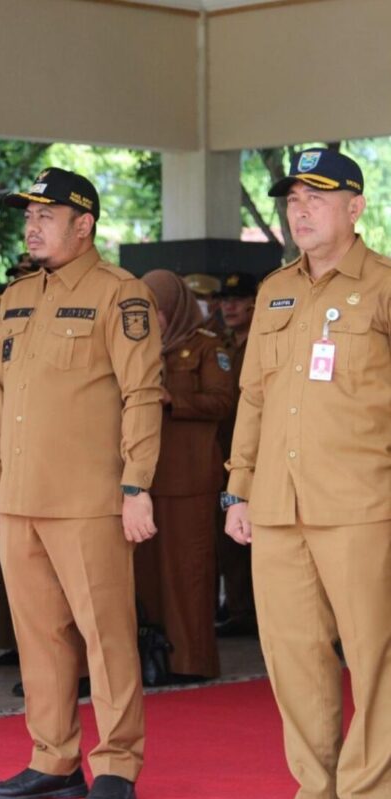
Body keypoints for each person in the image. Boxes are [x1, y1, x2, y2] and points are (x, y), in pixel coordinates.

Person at [0, 167, 163, 799]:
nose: (32, 227)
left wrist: (137, 485)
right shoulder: (16, 298)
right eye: (28, 216)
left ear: (83, 225)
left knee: (106, 637)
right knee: (39, 638)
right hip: (20, 498)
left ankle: (116, 763)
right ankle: (52, 759)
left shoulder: (121, 294)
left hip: (89, 499)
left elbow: (143, 395)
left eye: (46, 216)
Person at [224, 148, 391, 799]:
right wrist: (237, 489)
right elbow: (254, 399)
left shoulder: (383, 285)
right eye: (293, 199)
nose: (301, 211)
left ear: (355, 207)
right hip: (276, 505)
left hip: (361, 502)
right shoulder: (275, 291)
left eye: (317, 198)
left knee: (375, 656)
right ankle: (318, 794)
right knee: (293, 656)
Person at [134, 269, 233, 683]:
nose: (150, 318)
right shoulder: (135, 349)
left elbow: (224, 401)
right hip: (145, 481)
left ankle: (191, 662)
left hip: (190, 480)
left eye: (156, 310)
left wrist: (176, 399)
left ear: (174, 309)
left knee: (189, 573)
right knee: (147, 576)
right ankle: (155, 658)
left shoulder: (207, 347)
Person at [214, 272, 258, 638]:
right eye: (225, 300)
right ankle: (240, 606)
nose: (229, 306)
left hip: (257, 450)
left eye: (238, 299)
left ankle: (256, 609)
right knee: (230, 534)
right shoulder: (221, 343)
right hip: (225, 449)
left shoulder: (261, 339)